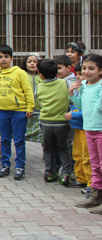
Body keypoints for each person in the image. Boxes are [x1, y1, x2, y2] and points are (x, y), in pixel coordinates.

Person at [0, 45, 34, 181]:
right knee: (5, 139)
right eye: (0, 57)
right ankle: (5, 165)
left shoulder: (20, 72)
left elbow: (28, 91)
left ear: (12, 58)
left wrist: (30, 108)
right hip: (2, 111)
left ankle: (20, 166)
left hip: (18, 112)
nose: (3, 60)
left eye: (6, 57)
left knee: (19, 140)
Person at [70, 54, 102, 213]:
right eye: (84, 68)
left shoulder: (100, 86)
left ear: (100, 71)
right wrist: (72, 93)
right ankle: (95, 197)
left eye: (91, 68)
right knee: (95, 165)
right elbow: (81, 105)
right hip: (89, 129)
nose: (87, 72)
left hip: (100, 130)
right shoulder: (84, 86)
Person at [36, 59, 73, 185]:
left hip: (46, 123)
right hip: (62, 122)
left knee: (48, 148)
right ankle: (66, 173)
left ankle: (49, 173)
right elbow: (71, 99)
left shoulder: (39, 87)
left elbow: (39, 103)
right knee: (63, 147)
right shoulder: (65, 83)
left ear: (40, 74)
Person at [66, 63, 91, 193]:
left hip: (87, 127)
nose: (80, 77)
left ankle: (90, 183)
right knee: (77, 154)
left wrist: (73, 114)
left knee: (87, 156)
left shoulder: (91, 88)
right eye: (79, 74)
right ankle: (81, 178)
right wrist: (71, 92)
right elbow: (78, 104)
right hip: (77, 126)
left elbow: (88, 109)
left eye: (81, 74)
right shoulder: (81, 88)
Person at [22, 53, 42, 143]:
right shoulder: (22, 75)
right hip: (25, 109)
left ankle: (46, 152)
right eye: (29, 62)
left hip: (39, 109)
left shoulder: (42, 77)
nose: (32, 64)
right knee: (19, 132)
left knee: (42, 134)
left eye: (35, 62)